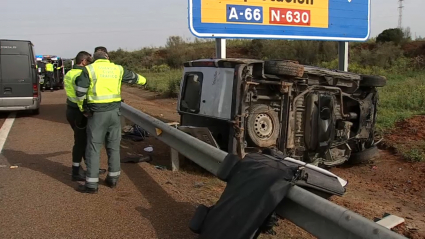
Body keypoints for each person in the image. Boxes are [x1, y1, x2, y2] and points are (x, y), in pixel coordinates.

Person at [75, 51, 147, 193]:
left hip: (97, 114)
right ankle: (113, 179)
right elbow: (137, 78)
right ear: (107, 58)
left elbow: (80, 92)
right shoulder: (118, 69)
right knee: (114, 147)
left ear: (93, 59)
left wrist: (83, 108)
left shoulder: (89, 70)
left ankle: (91, 185)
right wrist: (145, 81)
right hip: (115, 114)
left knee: (94, 148)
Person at [64, 51, 106, 181]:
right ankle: (76, 172)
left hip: (71, 110)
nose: (90, 65)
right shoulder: (81, 74)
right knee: (82, 142)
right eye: (89, 62)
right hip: (79, 112)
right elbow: (83, 94)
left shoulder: (69, 73)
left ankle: (89, 167)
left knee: (82, 141)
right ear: (83, 62)